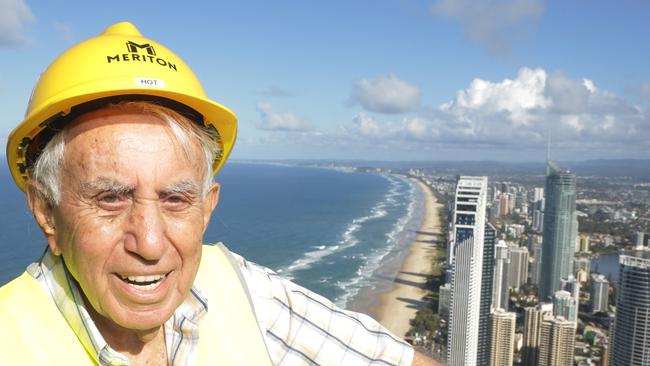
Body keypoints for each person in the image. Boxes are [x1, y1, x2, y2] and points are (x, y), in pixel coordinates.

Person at [0, 22, 439, 365]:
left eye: (175, 199)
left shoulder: (241, 289)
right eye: (111, 199)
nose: (151, 244)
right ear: (47, 212)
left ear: (206, 208)